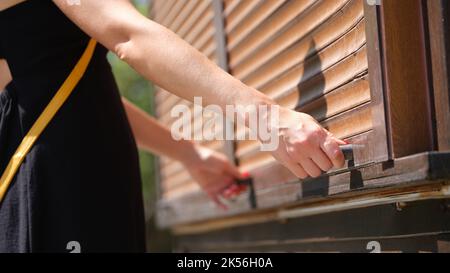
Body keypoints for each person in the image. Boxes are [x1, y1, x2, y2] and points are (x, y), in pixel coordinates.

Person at [0, 0, 345, 253]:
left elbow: (41, 98)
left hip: (50, 181)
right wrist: (267, 118)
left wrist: (190, 154)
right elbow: (128, 36)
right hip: (61, 188)